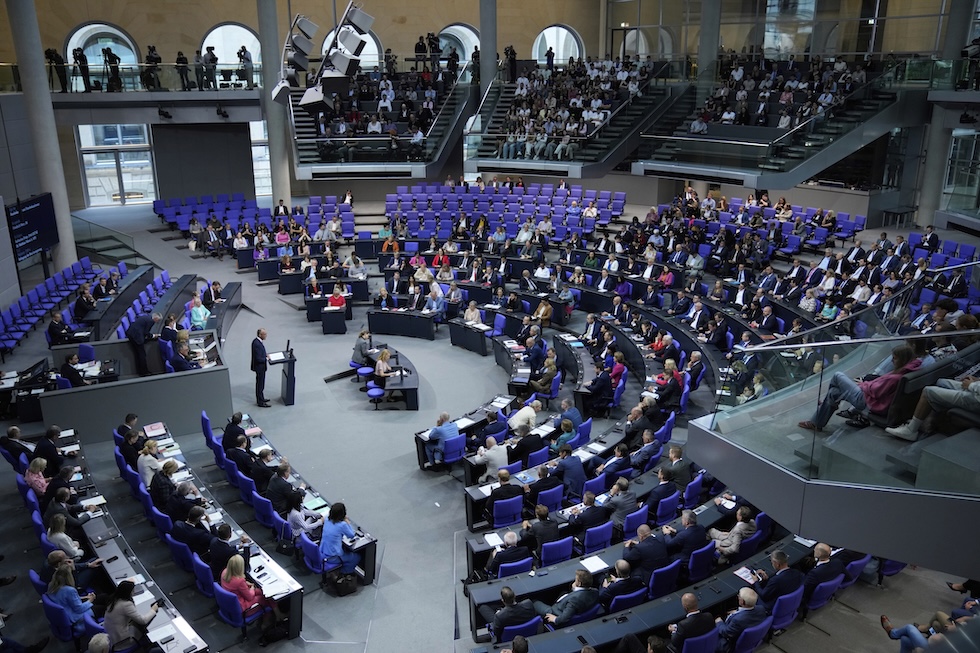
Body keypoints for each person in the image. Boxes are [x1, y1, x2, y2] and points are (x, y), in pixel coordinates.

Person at [797, 345, 919, 431]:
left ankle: (825, 406)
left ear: (902, 359)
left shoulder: (895, 378)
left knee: (838, 375)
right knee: (833, 393)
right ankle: (816, 423)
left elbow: (875, 391)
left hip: (866, 400)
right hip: (871, 398)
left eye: (895, 358)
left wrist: (863, 384)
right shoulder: (905, 371)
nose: (892, 361)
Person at [887, 370, 980, 440]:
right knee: (941, 382)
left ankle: (911, 430)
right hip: (977, 389)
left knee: (928, 391)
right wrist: (977, 380)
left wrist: (971, 385)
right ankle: (924, 420)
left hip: (976, 399)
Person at [221, 554, 284, 627]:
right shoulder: (239, 581)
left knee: (262, 591)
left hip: (232, 603)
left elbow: (235, 586)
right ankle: (267, 621)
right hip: (243, 608)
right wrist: (252, 589)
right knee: (266, 597)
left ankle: (277, 615)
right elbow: (250, 597)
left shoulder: (225, 572)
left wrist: (246, 583)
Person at [102, 580, 160, 650]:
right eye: (133, 591)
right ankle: (149, 645)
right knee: (143, 625)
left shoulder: (113, 599)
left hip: (110, 634)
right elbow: (143, 620)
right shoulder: (126, 605)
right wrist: (153, 610)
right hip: (120, 641)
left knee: (135, 621)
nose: (134, 592)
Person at [532, 569, 600, 627]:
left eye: (576, 579)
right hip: (567, 602)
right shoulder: (595, 591)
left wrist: (555, 619)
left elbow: (564, 618)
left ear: (579, 583)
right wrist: (575, 588)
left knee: (534, 602)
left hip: (555, 611)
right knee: (562, 590)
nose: (574, 580)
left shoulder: (574, 600)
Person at [715, 588, 767, 653]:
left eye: (739, 596)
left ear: (742, 602)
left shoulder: (737, 620)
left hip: (731, 643)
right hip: (750, 639)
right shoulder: (761, 609)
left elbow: (726, 633)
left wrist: (719, 622)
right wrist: (737, 612)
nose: (738, 596)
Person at [46, 565, 94, 636]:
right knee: (102, 605)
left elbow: (66, 599)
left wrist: (85, 597)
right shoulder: (69, 590)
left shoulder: (52, 585)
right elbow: (79, 609)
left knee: (101, 597)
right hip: (75, 617)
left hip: (67, 611)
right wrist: (90, 600)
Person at [319, 502, 361, 575]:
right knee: (356, 557)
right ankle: (344, 574)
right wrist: (348, 522)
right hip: (332, 557)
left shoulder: (326, 519)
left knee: (344, 549)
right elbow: (351, 535)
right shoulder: (342, 525)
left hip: (322, 552)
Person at [125, 312, 162, 376]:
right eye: (158, 320)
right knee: (142, 355)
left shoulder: (146, 317)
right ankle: (144, 372)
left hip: (131, 334)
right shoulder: (151, 321)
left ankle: (141, 371)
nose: (158, 322)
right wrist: (153, 336)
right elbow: (146, 332)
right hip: (137, 338)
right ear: (155, 318)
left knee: (138, 354)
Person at [251, 328, 270, 407]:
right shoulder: (257, 344)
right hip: (259, 368)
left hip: (261, 367)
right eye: (264, 334)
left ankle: (261, 398)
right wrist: (266, 358)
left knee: (261, 384)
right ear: (260, 335)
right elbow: (258, 358)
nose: (266, 336)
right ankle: (260, 402)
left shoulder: (257, 342)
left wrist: (265, 355)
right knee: (260, 385)